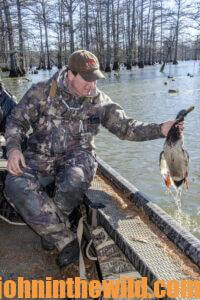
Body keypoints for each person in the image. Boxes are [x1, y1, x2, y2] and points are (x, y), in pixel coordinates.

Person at [4, 50, 181, 268]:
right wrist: (13, 149)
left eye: (95, 78)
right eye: (87, 79)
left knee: (75, 179)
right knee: (14, 183)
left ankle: (50, 229)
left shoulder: (99, 101)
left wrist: (161, 129)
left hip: (78, 157)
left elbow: (127, 128)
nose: (92, 85)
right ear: (70, 75)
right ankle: (63, 238)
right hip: (39, 156)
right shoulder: (40, 92)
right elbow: (15, 122)